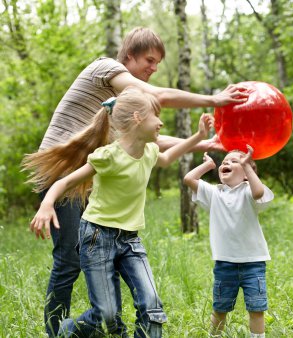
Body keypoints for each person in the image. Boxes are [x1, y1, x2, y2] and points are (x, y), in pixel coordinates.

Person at [33, 26, 248, 337]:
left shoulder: (124, 109)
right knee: (68, 259)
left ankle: (110, 322)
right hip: (60, 175)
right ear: (128, 56)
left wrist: (199, 142)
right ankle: (56, 331)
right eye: (149, 59)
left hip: (84, 182)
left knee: (90, 254)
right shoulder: (104, 68)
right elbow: (157, 97)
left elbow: (148, 139)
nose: (154, 68)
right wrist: (213, 99)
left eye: (158, 62)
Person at [26, 87, 214, 337]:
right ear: (137, 117)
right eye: (155, 116)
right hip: (96, 238)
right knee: (106, 316)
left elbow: (168, 158)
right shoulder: (108, 156)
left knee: (152, 308)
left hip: (130, 240)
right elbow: (63, 183)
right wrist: (47, 205)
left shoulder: (149, 151)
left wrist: (199, 136)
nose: (160, 122)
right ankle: (65, 331)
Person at [183, 146, 274, 338]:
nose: (226, 163)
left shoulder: (249, 191)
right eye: (224, 162)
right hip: (225, 264)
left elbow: (259, 193)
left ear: (247, 174)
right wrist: (207, 165)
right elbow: (189, 179)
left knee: (256, 308)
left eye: (234, 162)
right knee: (220, 307)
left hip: (253, 263)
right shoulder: (214, 193)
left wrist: (247, 166)